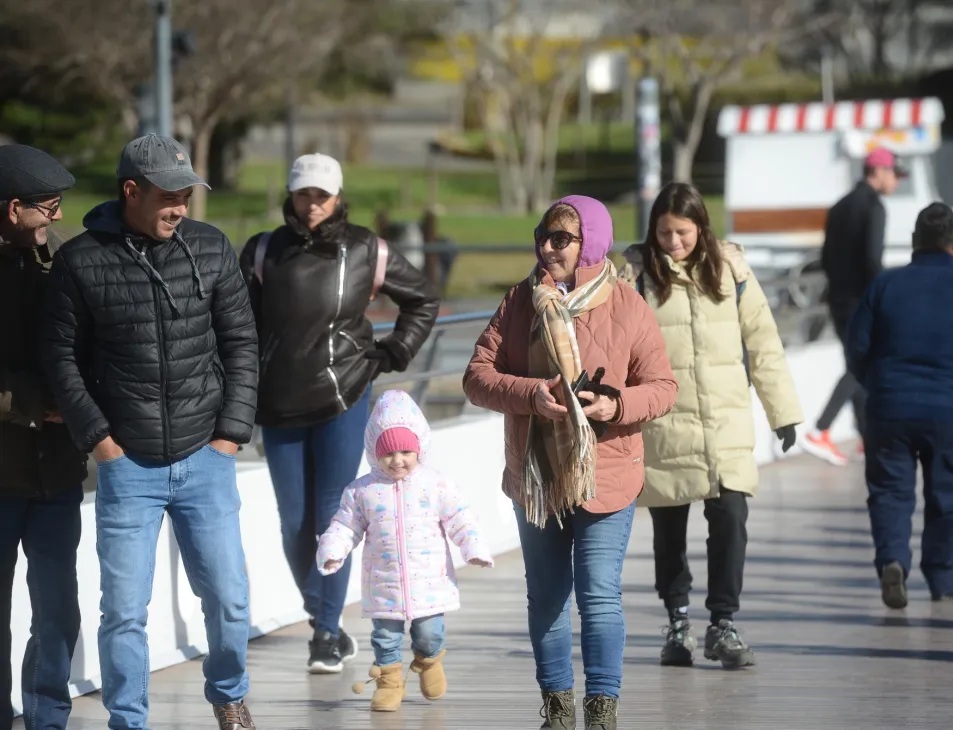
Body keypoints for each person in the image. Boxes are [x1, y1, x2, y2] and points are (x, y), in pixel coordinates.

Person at [40, 134, 259, 730]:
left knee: (230, 601)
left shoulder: (212, 247)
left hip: (206, 456)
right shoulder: (80, 260)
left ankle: (229, 692)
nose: (180, 207)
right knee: (124, 612)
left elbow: (242, 344)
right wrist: (100, 442)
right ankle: (128, 722)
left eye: (186, 195)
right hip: (126, 464)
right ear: (131, 191)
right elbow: (61, 358)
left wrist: (231, 434)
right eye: (168, 196)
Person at [463, 195, 677, 730]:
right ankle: (557, 711)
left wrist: (616, 404)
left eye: (562, 238)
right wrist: (532, 394)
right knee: (548, 598)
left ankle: (600, 712)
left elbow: (664, 387)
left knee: (598, 596)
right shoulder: (519, 301)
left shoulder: (627, 305)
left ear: (592, 245)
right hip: (537, 474)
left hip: (608, 470)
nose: (548, 246)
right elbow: (476, 377)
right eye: (543, 234)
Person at [239, 153, 439, 675]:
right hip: (278, 403)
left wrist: (396, 352)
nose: (312, 205)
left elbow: (422, 300)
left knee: (332, 516)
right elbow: (235, 324)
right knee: (294, 523)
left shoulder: (368, 248)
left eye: (321, 196)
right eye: (304, 194)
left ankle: (326, 632)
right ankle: (321, 609)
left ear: (338, 197)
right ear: (291, 194)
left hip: (343, 397)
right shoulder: (262, 251)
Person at [618, 182, 803, 670]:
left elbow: (763, 342)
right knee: (668, 530)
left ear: (701, 228)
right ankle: (677, 623)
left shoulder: (731, 269)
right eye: (664, 232)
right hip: (662, 425)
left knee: (731, 521)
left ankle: (723, 623)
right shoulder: (635, 276)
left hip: (724, 424)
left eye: (682, 232)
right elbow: (614, 350)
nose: (673, 242)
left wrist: (782, 411)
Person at [846, 202, 953, 609]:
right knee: (945, 494)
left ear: (914, 242)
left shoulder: (884, 286)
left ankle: (893, 561)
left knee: (890, 493)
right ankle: (944, 579)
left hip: (889, 407)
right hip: (947, 411)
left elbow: (857, 348)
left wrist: (878, 384)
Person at [315, 389, 493, 712]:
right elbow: (345, 526)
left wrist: (474, 548)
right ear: (373, 452)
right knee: (385, 638)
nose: (397, 460)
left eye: (405, 451)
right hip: (383, 584)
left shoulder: (436, 485)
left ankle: (429, 661)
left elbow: (461, 519)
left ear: (419, 447)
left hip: (429, 583)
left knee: (428, 633)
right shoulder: (363, 491)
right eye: (388, 453)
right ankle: (389, 681)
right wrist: (333, 549)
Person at [0, 144, 86, 729]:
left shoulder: (62, 260)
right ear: (13, 208)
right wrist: (35, 404)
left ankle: (47, 718)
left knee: (57, 613)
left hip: (57, 474)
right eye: (48, 207)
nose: (57, 217)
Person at [802, 147, 905, 466]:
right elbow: (872, 260)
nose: (896, 182)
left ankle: (867, 439)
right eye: (895, 175)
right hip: (862, 300)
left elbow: (828, 256)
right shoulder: (874, 207)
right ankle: (820, 430)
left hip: (838, 299)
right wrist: (886, 294)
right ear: (879, 173)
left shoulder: (840, 206)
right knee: (863, 366)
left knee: (858, 363)